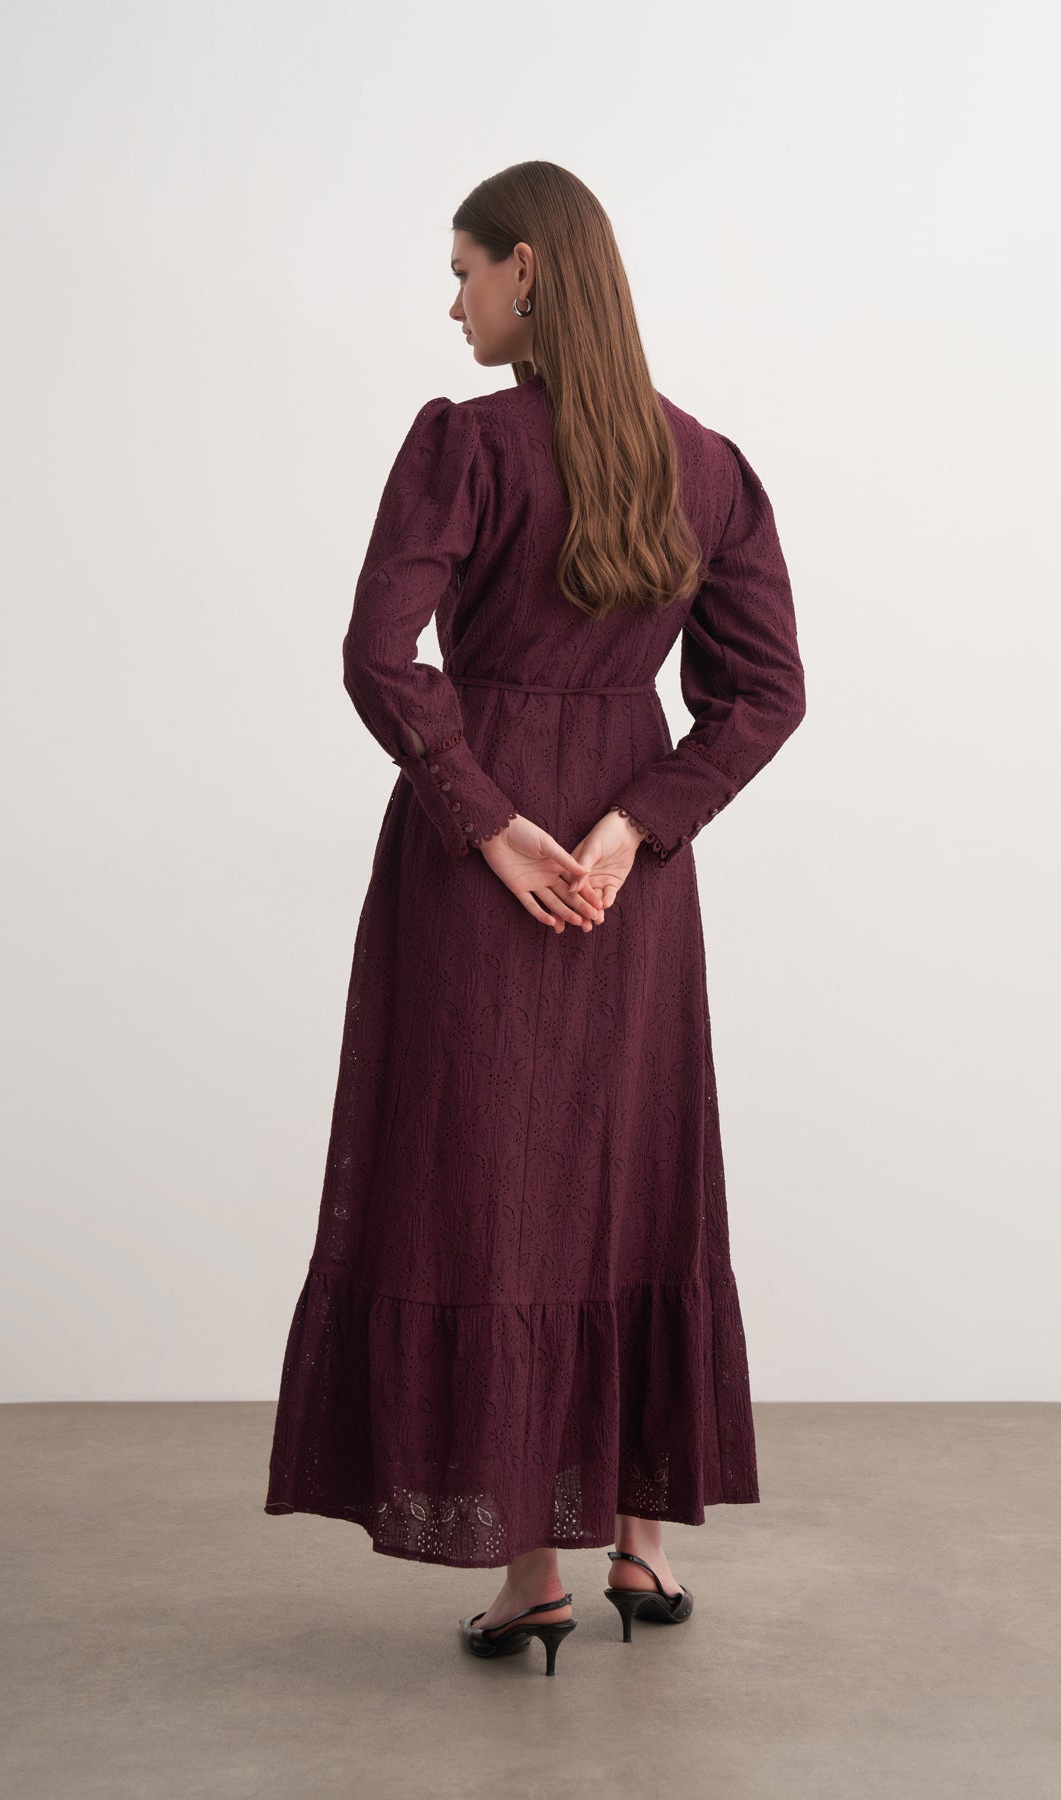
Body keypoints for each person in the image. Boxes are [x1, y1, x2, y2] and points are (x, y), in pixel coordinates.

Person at [264, 160, 807, 1677]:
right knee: (632, 1173)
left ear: (528, 270)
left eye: (464, 271)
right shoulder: (708, 465)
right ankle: (643, 1547)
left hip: (480, 862)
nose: (453, 304)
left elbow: (381, 655)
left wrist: (488, 816)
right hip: (628, 875)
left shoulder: (468, 445)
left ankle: (531, 1578)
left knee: (491, 1185)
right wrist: (637, 822)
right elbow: (766, 694)